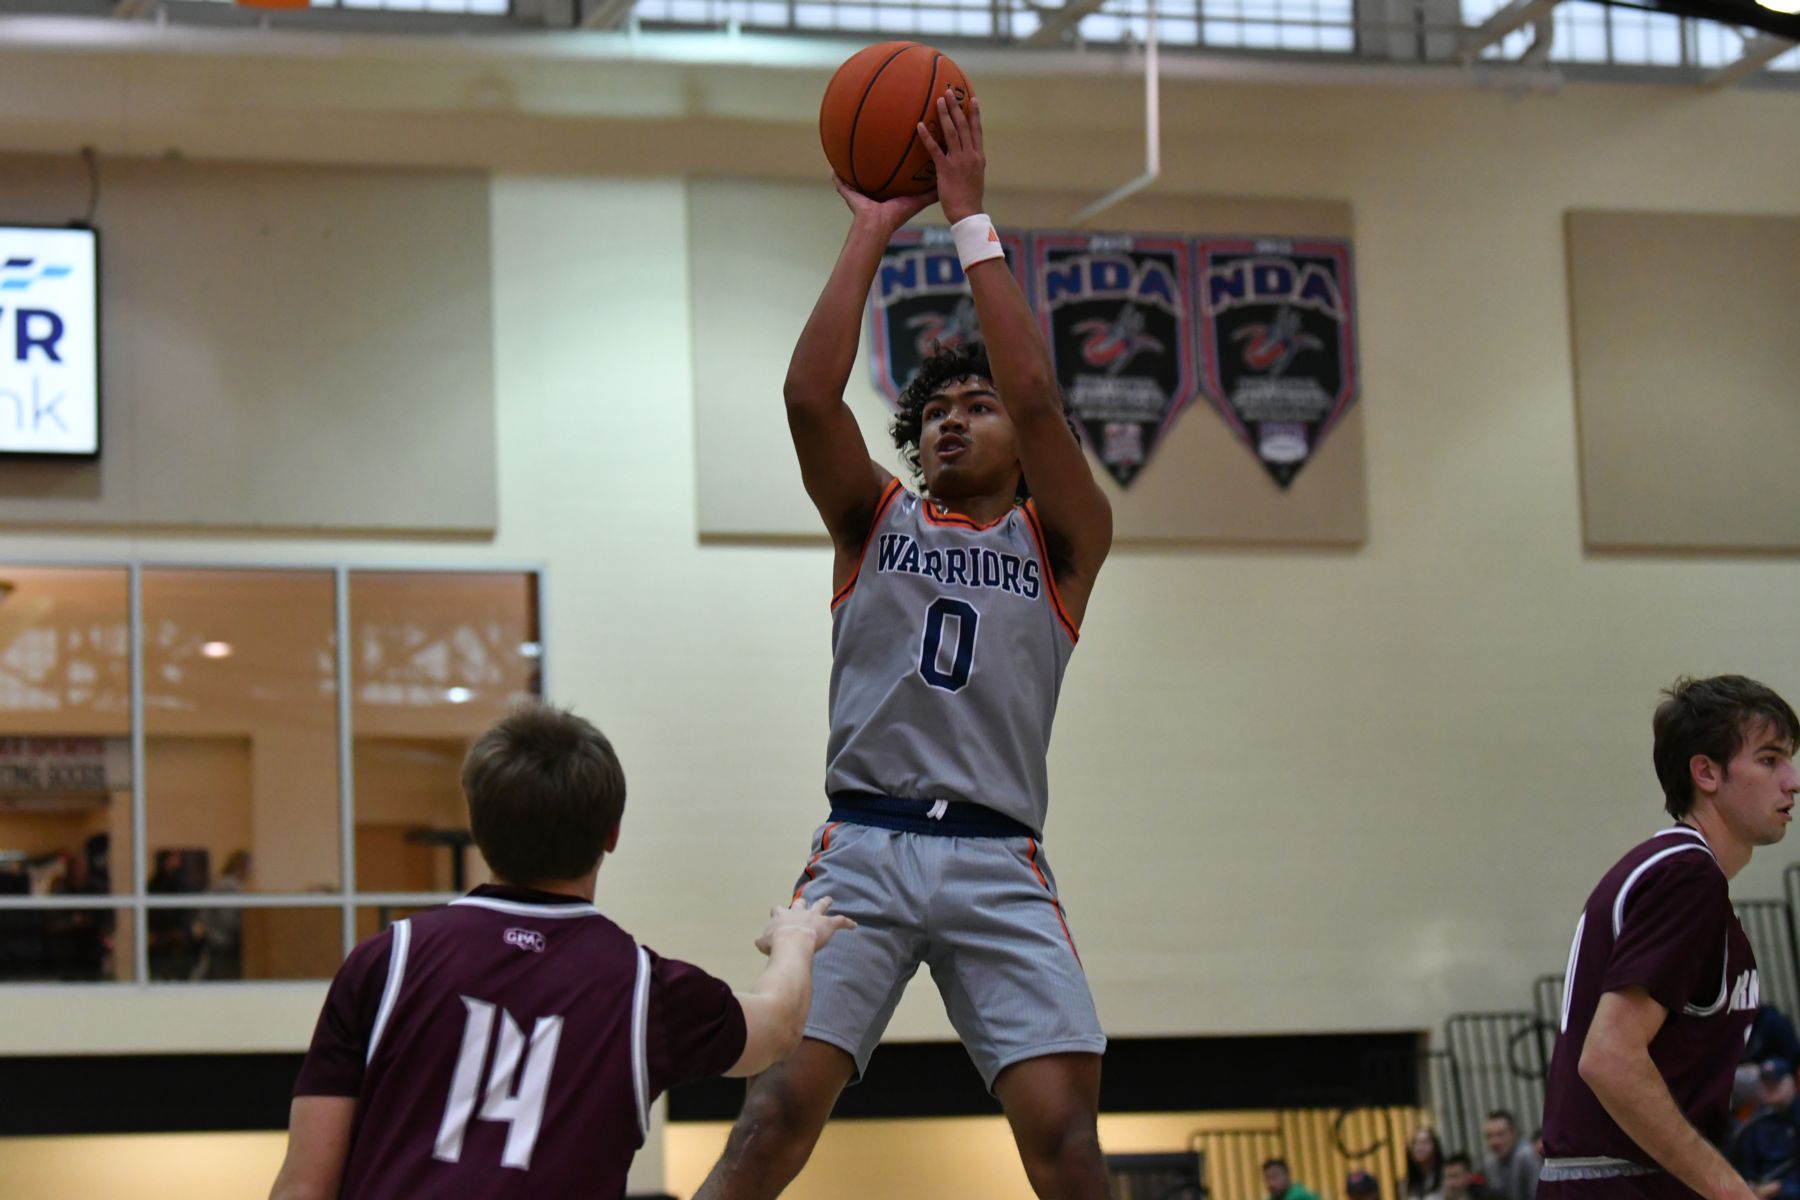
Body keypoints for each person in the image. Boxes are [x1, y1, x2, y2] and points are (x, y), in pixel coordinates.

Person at [693, 88, 1115, 1200]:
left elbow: (1039, 395)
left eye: (977, 404)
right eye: (935, 410)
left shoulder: (1062, 541)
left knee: (1070, 1145)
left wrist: (968, 218)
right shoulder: (874, 520)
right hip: (864, 847)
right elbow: (806, 395)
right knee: (771, 1120)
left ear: (1022, 442)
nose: (953, 417)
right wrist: (872, 227)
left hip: (997, 854)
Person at [267, 704, 854, 1200]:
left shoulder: (382, 962)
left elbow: (303, 1188)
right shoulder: (645, 989)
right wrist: (795, 939)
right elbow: (779, 1026)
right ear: (612, 834)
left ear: (477, 825)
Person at [1540, 675, 1800, 1200]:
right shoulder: (1688, 877)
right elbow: (1609, 1057)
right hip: (1625, 1183)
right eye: (1770, 759)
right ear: (1706, 772)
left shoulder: (1664, 869)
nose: (1792, 781)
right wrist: (1729, 1189)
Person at [1733, 1059, 1800, 1200]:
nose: (1770, 1089)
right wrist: (1752, 1187)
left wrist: (1781, 1188)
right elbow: (1746, 1165)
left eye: (1775, 1084)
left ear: (1791, 1082)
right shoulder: (1755, 1121)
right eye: (1765, 1084)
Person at [1481, 1110, 1540, 1200]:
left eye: (1500, 1134)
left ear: (1514, 1134)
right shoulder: (1490, 1162)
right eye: (1489, 1136)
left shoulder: (1528, 1156)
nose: (1494, 1142)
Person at [1406, 1125, 1447, 1200]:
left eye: (1425, 1142)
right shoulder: (1406, 1183)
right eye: (1416, 1143)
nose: (1420, 1147)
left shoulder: (1446, 1175)